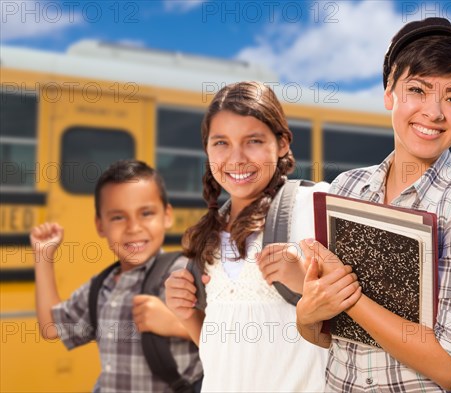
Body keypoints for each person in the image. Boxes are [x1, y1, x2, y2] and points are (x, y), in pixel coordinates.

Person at [295, 17, 451, 392]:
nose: (434, 112)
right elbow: (328, 335)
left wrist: (349, 295)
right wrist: (306, 315)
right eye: (418, 90)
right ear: (389, 92)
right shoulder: (347, 187)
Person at [164, 81, 331, 392]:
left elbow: (359, 324)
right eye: (221, 143)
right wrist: (186, 314)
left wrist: (306, 285)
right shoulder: (210, 233)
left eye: (253, 141)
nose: (236, 158)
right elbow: (220, 353)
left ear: (282, 143)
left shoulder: (314, 205)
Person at [31, 160, 203, 392]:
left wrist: (177, 324)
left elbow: (230, 336)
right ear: (100, 225)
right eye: (118, 217)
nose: (133, 227)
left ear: (167, 215)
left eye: (146, 213)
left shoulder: (185, 273)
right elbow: (51, 328)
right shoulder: (102, 286)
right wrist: (43, 257)